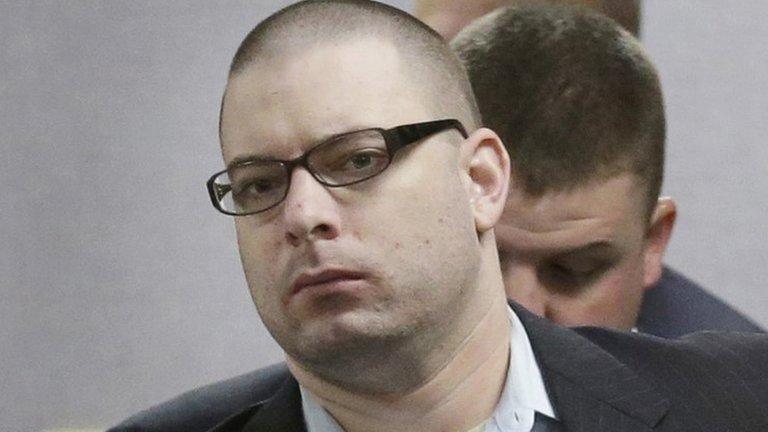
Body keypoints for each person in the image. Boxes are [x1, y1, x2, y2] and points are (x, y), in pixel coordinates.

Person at [110, 2, 768, 432]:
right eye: (258, 185)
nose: (303, 213)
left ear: (481, 181)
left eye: (358, 159)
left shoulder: (737, 405)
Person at [448, 4, 764, 335]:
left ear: (653, 243)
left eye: (572, 270)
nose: (521, 317)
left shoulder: (740, 385)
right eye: (480, 264)